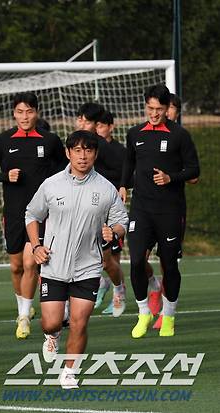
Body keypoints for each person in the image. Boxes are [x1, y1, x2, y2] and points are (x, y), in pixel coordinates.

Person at [26, 130, 128, 389]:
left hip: (88, 267)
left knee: (80, 323)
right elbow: (31, 214)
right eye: (78, 151)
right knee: (51, 321)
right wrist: (37, 246)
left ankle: (69, 372)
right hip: (53, 265)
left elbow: (122, 221)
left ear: (95, 153)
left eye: (89, 151)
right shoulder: (51, 184)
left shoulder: (105, 188)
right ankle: (53, 335)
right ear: (68, 153)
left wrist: (113, 231)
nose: (83, 156)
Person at [120, 84, 200, 338]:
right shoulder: (135, 133)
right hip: (141, 208)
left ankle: (169, 316)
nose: (154, 113)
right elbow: (129, 161)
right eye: (150, 108)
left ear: (168, 109)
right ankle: (144, 313)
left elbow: (193, 170)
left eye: (159, 109)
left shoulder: (180, 135)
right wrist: (123, 185)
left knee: (168, 264)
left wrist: (171, 177)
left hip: (169, 210)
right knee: (135, 262)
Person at [0, 92, 65, 339]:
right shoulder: (3, 141)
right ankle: (24, 309)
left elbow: (64, 169)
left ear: (36, 112)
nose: (24, 116)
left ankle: (24, 317)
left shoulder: (50, 140)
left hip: (40, 214)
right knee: (17, 265)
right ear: (13, 113)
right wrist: (5, 176)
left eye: (29, 111)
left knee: (31, 263)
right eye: (20, 112)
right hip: (13, 212)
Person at [93, 111, 128, 317]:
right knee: (98, 259)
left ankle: (118, 291)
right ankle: (103, 285)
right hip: (92, 209)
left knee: (110, 260)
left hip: (112, 210)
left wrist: (120, 186)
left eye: (101, 125)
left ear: (110, 127)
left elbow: (126, 174)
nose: (98, 129)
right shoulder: (88, 149)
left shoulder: (117, 150)